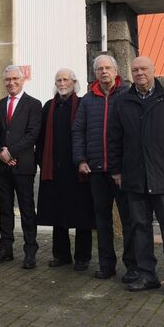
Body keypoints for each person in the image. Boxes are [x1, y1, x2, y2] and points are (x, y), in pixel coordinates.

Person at [109, 56, 164, 296]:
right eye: (135, 70)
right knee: (139, 227)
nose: (139, 73)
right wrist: (116, 171)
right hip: (134, 177)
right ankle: (147, 275)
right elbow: (114, 139)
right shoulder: (123, 101)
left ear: (154, 71)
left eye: (144, 68)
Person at [72, 54, 135, 280]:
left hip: (122, 171)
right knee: (102, 220)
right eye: (99, 69)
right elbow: (78, 131)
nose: (104, 72)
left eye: (108, 68)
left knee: (129, 220)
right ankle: (106, 265)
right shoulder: (88, 100)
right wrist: (81, 159)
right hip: (96, 170)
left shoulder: (128, 95)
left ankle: (132, 266)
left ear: (116, 70)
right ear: (95, 73)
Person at [36, 68, 94, 271]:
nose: (61, 83)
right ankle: (61, 255)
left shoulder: (83, 104)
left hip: (78, 170)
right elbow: (41, 139)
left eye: (65, 80)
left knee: (82, 216)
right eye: (58, 80)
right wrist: (43, 163)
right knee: (57, 214)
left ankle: (82, 257)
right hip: (55, 170)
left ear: (74, 82)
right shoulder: (48, 106)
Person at [0, 65, 41, 269]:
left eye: (15, 79)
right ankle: (6, 249)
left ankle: (30, 251)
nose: (11, 83)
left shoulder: (33, 104)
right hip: (2, 166)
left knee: (27, 210)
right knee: (5, 210)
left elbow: (32, 134)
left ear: (22, 80)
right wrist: (1, 152)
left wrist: (11, 152)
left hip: (23, 165)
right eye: (7, 79)